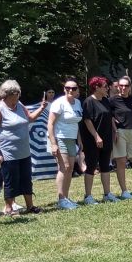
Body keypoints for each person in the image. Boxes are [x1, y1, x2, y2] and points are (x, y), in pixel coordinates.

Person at [0, 80, 47, 215]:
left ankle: (30, 206)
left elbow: (30, 118)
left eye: (18, 93)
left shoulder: (19, 104)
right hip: (8, 151)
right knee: (11, 180)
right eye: (15, 94)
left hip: (24, 150)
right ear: (6, 94)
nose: (18, 96)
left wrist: (41, 108)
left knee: (26, 179)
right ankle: (9, 208)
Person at [80, 76, 118, 204]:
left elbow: (110, 117)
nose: (108, 88)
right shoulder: (88, 102)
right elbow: (87, 121)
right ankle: (88, 196)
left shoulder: (106, 100)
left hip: (106, 138)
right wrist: (96, 136)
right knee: (91, 166)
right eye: (105, 86)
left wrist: (115, 131)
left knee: (105, 166)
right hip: (92, 140)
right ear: (97, 87)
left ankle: (107, 194)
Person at [47, 79, 83, 210]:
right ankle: (61, 199)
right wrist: (53, 144)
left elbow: (76, 123)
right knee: (64, 167)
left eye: (73, 88)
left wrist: (79, 140)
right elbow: (50, 123)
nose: (70, 90)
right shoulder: (58, 103)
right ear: (64, 89)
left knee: (70, 168)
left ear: (77, 90)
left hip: (72, 139)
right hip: (59, 138)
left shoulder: (77, 103)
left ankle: (66, 198)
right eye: (67, 88)